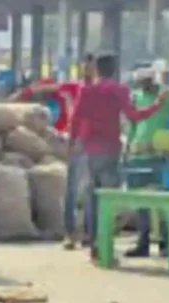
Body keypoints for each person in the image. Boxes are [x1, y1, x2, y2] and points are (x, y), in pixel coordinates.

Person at [68, 53, 169, 260]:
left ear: (96, 69)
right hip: (110, 149)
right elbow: (134, 116)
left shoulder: (86, 91)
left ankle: (95, 246)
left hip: (89, 150)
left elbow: (76, 119)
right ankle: (106, 246)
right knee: (109, 199)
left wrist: (71, 145)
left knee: (92, 199)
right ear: (114, 70)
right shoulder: (119, 90)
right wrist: (157, 104)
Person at [125, 67, 169, 258]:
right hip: (139, 153)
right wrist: (128, 146)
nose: (144, 86)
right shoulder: (136, 96)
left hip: (161, 154)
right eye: (141, 83)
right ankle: (143, 242)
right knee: (141, 202)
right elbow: (133, 124)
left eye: (147, 82)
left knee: (164, 202)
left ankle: (167, 243)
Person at [61, 53, 95, 249]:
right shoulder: (77, 88)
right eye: (85, 67)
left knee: (89, 190)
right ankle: (70, 231)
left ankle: (89, 232)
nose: (87, 70)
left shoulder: (99, 89)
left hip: (93, 142)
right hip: (79, 141)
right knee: (72, 188)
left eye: (90, 67)